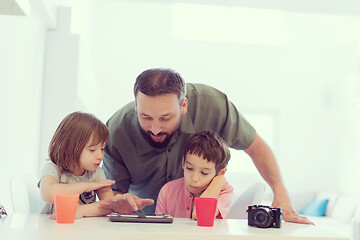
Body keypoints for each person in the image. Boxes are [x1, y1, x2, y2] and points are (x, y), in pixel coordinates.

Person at [101, 68, 312, 224]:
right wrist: (117, 204)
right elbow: (114, 192)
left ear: (184, 106)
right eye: (145, 117)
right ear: (136, 105)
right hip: (144, 223)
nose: (155, 128)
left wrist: (280, 193)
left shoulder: (214, 105)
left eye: (166, 118)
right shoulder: (116, 130)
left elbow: (255, 146)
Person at [39, 111, 153, 218]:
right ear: (68, 148)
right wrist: (86, 186)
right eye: (92, 150)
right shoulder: (53, 168)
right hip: (52, 227)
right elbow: (48, 194)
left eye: (102, 149)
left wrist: (81, 211)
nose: (100, 156)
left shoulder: (96, 172)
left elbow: (108, 205)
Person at [155, 130, 233, 219]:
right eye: (189, 168)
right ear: (183, 162)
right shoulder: (167, 191)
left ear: (221, 173)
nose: (194, 178)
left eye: (204, 173)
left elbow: (201, 216)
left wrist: (220, 180)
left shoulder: (224, 191)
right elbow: (160, 230)